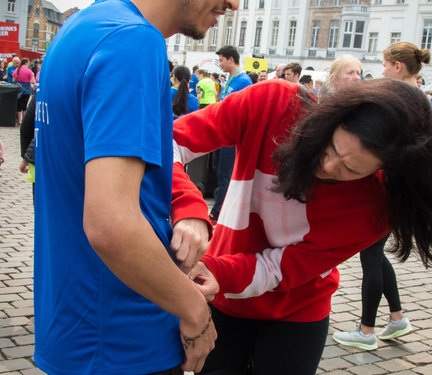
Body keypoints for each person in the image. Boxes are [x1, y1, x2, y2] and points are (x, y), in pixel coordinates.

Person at [172, 78, 432, 375]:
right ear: (332, 118)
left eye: (350, 169)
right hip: (220, 298)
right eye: (331, 146)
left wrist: (217, 271)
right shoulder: (275, 103)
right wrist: (187, 205)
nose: (328, 167)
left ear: (383, 171)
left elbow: (281, 267)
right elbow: (167, 143)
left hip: (296, 312)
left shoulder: (376, 207)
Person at [33, 0, 240, 374]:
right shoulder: (134, 41)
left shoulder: (83, 27)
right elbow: (111, 223)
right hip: (121, 334)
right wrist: (194, 312)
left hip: (76, 320)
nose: (235, 4)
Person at [333, 42, 430, 351]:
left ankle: (366, 331)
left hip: (389, 189)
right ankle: (397, 317)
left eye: (386, 64)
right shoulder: (419, 99)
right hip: (398, 190)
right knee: (375, 254)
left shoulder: (403, 100)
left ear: (398, 67)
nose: (383, 69)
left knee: (371, 256)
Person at [209, 45, 252, 224]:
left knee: (226, 173)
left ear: (231, 59)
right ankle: (221, 207)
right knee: (218, 169)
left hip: (232, 136)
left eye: (221, 60)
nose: (220, 64)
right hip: (223, 134)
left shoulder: (244, 81)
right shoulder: (230, 80)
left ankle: (217, 212)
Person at [12, 58, 35, 125]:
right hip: (27, 89)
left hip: (19, 88)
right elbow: (33, 81)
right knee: (25, 105)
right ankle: (24, 120)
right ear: (26, 63)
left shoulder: (17, 70)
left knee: (19, 105)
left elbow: (14, 80)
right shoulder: (29, 71)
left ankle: (19, 121)